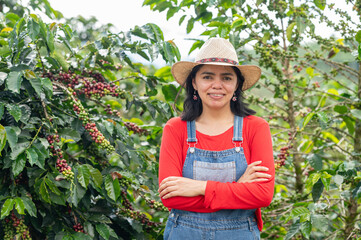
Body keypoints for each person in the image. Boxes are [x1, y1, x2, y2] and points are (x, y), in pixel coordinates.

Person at [158, 37, 275, 240]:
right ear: (194, 82)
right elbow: (171, 197)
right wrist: (238, 190)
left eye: (227, 78)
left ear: (237, 84)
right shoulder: (176, 129)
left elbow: (263, 195)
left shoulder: (256, 128)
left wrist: (199, 187)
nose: (217, 85)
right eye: (208, 77)